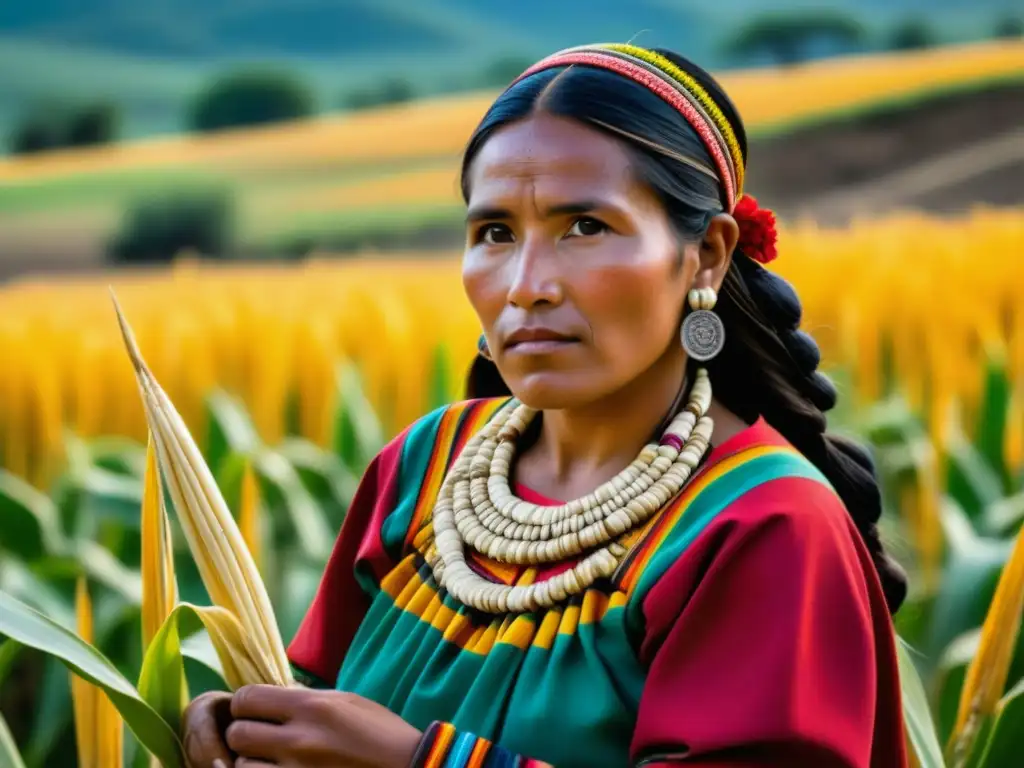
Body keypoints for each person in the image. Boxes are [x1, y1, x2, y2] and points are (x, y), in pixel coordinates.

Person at [182, 43, 910, 768]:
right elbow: (321, 704)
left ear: (708, 255)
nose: (527, 283)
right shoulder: (420, 470)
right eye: (495, 233)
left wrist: (419, 763)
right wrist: (244, 722)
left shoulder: (763, 528)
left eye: (585, 228)